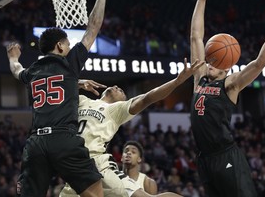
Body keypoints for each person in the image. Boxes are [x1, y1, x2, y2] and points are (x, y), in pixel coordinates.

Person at [6, 0, 108, 196]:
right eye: (68, 44)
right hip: (62, 139)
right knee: (96, 192)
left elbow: (16, 70)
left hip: (35, 144)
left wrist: (13, 57)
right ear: (61, 46)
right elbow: (93, 26)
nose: (70, 47)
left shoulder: (32, 71)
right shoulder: (69, 63)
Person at [60, 58, 204, 197]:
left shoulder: (116, 110)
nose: (117, 87)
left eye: (121, 91)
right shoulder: (83, 100)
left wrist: (177, 81)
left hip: (96, 162)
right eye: (117, 87)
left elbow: (148, 98)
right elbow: (56, 88)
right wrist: (78, 83)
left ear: (124, 101)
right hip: (73, 165)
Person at [190, 0, 265, 197]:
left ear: (227, 66)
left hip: (225, 155)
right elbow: (196, 37)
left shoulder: (230, 84)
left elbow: (258, 63)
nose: (210, 63)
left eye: (216, 61)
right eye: (210, 59)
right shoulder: (199, 77)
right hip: (204, 158)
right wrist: (201, 0)